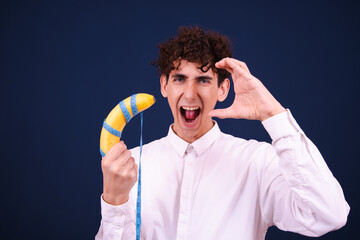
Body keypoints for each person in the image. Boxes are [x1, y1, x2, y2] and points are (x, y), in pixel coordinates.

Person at [95, 26, 350, 240]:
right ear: (164, 86)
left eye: (203, 80)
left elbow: (329, 215)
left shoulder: (258, 163)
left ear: (223, 89)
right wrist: (115, 201)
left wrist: (274, 114)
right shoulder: (129, 167)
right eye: (179, 79)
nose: (190, 94)